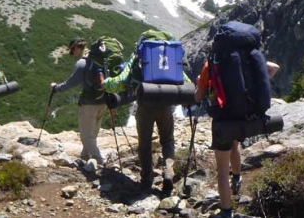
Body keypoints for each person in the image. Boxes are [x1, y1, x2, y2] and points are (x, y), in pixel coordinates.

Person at [194, 22, 273, 218]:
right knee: (235, 147)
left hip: (224, 119)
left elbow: (197, 97)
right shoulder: (251, 57)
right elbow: (273, 68)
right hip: (246, 114)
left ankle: (226, 211)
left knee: (221, 169)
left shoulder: (212, 64)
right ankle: (237, 179)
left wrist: (201, 84)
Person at [102, 30, 183, 193]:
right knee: (167, 141)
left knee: (144, 144)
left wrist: (107, 83)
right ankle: (168, 171)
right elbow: (184, 79)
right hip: (166, 103)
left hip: (145, 104)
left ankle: (147, 180)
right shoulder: (171, 53)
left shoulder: (140, 54)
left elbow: (122, 80)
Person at [49, 37, 106, 171]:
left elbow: (71, 82)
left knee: (86, 135)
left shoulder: (82, 63)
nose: (73, 55)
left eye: (72, 51)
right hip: (103, 100)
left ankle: (100, 162)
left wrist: (56, 87)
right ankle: (84, 156)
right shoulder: (99, 59)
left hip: (89, 104)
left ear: (75, 48)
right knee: (94, 131)